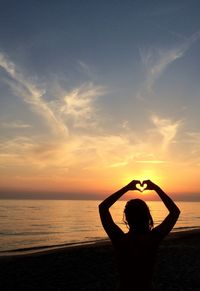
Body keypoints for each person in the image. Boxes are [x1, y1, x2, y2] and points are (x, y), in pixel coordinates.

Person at [99, 179, 180, 291]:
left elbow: (103, 208)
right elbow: (175, 212)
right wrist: (156, 188)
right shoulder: (153, 239)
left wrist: (127, 188)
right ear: (147, 216)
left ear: (126, 218)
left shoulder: (120, 240)